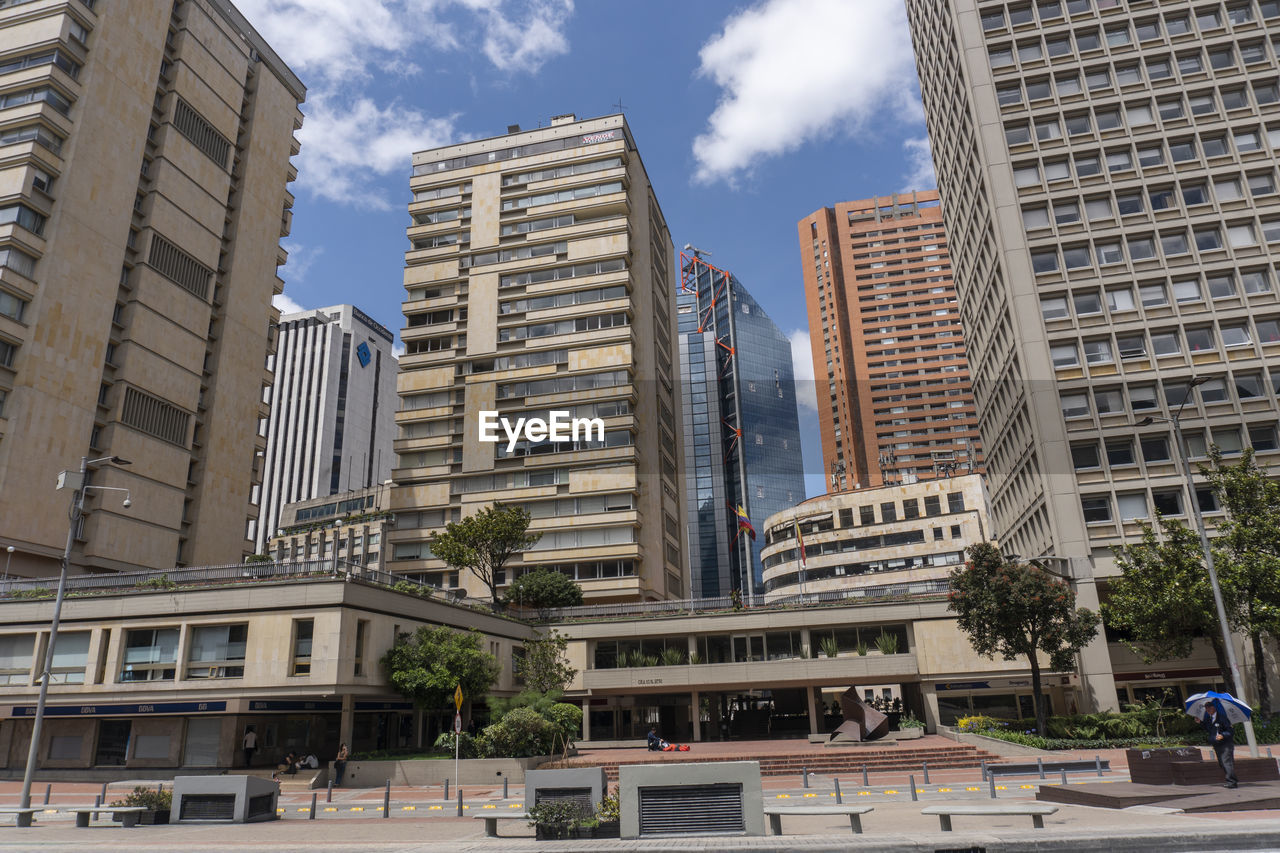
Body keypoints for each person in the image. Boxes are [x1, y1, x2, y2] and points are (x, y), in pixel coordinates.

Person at [1201, 700, 1238, 788]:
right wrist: (1200, 722)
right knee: (1222, 763)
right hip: (1217, 744)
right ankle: (1232, 780)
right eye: (1206, 708)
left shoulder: (1222, 718)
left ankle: (1232, 782)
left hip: (1226, 744)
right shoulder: (1208, 719)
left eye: (1209, 707)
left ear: (1214, 707)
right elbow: (1208, 729)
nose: (1207, 709)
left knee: (1226, 762)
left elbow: (1230, 731)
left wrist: (1223, 735)